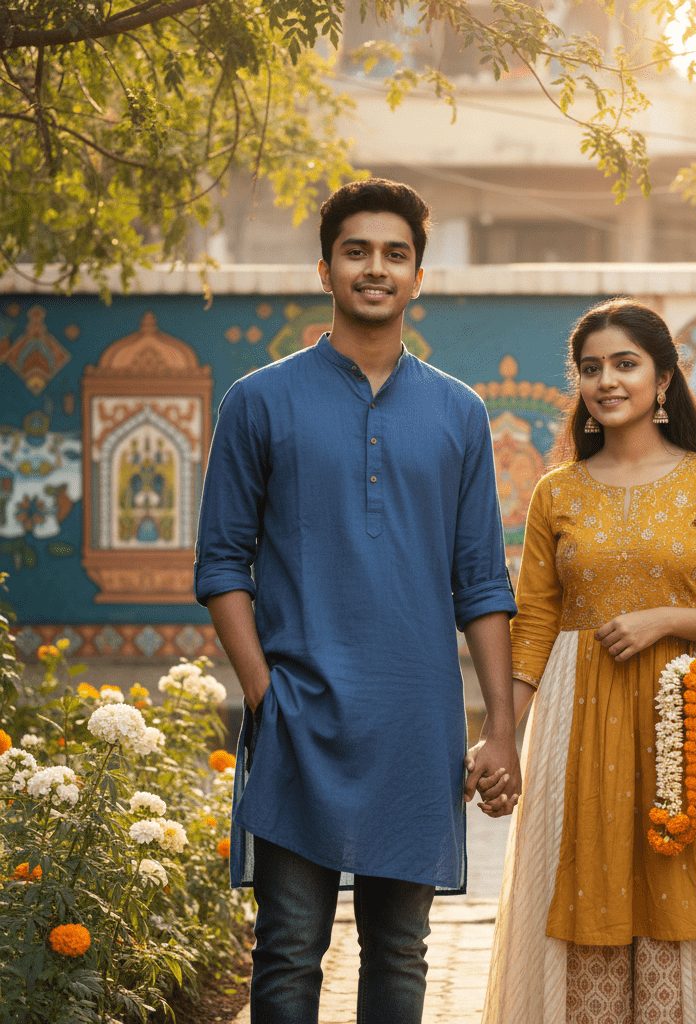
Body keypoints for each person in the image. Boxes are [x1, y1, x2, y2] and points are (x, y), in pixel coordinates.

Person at [193, 178, 521, 1024]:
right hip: (299, 713)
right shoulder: (259, 402)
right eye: (357, 251)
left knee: (400, 952)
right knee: (290, 948)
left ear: (419, 275)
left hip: (416, 720)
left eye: (395, 254)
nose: (375, 268)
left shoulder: (459, 414)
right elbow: (222, 564)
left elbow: (482, 581)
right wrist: (265, 692)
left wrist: (500, 728)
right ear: (325, 267)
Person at [479, 298, 696, 1023]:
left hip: (684, 712)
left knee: (683, 886)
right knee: (585, 885)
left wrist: (666, 619)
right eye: (592, 367)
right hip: (577, 715)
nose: (607, 380)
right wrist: (504, 732)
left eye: (625, 364)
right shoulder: (555, 491)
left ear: (664, 379)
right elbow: (533, 620)